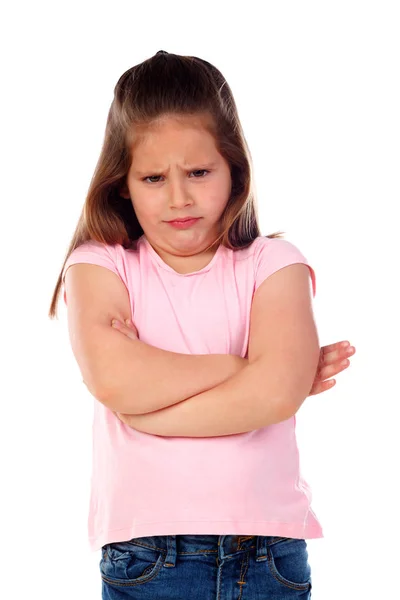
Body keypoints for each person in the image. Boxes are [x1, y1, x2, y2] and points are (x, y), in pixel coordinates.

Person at [49, 50, 356, 599]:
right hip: (147, 556)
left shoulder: (273, 263)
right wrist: (242, 367)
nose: (179, 197)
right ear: (122, 182)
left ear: (233, 166)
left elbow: (275, 396)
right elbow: (116, 380)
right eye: (152, 177)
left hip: (267, 552)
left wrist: (149, 414)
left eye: (198, 172)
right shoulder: (101, 265)